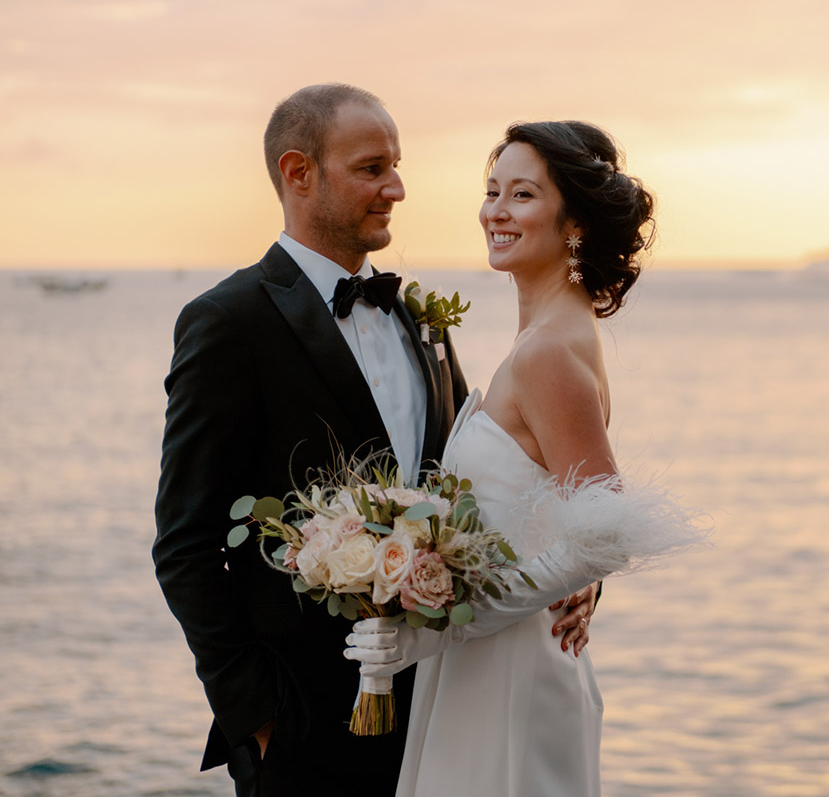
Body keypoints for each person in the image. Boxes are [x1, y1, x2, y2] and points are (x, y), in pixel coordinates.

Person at [152, 86, 595, 797]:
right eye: (371, 169)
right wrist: (258, 717)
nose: (397, 187)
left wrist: (579, 565)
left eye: (396, 165)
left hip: (446, 699)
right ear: (299, 173)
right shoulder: (227, 323)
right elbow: (184, 543)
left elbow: (480, 489)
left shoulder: (420, 317)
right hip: (303, 727)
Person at [345, 121, 698, 797]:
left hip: (509, 678)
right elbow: (566, 515)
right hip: (491, 666)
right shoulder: (555, 335)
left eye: (523, 195)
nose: (495, 212)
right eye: (491, 190)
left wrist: (435, 632)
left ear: (574, 227)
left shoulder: (546, 354)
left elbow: (600, 537)